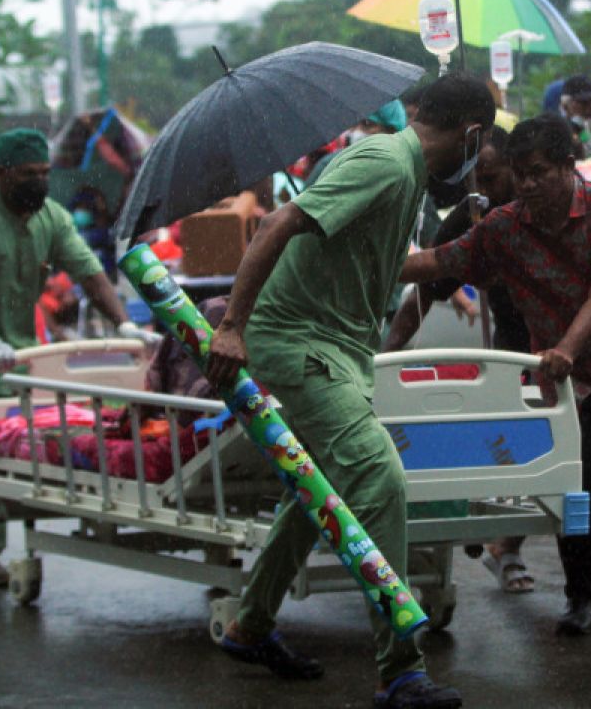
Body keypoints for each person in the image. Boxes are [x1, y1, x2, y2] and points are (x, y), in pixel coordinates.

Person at [202, 75, 495, 709]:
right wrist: (232, 327)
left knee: (317, 491)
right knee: (379, 478)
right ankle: (400, 672)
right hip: (300, 342)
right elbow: (280, 222)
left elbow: (388, 265)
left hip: (336, 348)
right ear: (473, 135)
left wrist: (463, 252)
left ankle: (249, 625)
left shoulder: (406, 177)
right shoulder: (385, 161)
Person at [399, 114, 591, 636]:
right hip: (569, 384)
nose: (526, 185)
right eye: (518, 173)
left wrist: (568, 347)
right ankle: (580, 595)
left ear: (569, 166)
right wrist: (372, 262)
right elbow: (439, 262)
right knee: (579, 492)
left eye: (539, 172)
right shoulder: (504, 228)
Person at [0, 128, 161, 587]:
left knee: (8, 450)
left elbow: (89, 274)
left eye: (45, 173)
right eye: (29, 174)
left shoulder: (50, 217)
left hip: (19, 352)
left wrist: (124, 324)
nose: (40, 181)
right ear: (4, 174)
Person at [382, 128, 536, 594]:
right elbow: (425, 284)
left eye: (492, 177)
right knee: (521, 453)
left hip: (571, 343)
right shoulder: (474, 216)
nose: (484, 191)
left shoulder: (554, 208)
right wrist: (385, 360)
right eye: (477, 181)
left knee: (580, 467)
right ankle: (504, 544)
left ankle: (587, 584)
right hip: (517, 350)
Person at [558, 75, 591, 158]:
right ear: (565, 106)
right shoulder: (561, 134)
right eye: (583, 103)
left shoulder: (587, 130)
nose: (589, 108)